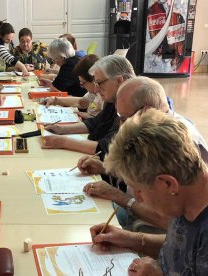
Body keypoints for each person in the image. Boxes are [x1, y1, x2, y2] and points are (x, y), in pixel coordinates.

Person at [80, 76, 208, 229]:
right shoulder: (155, 130)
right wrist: (104, 168)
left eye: (124, 118)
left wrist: (120, 196)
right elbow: (147, 177)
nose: (121, 126)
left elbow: (169, 220)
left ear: (146, 110)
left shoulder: (168, 142)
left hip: (147, 222)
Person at [91, 109, 208, 275]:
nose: (137, 198)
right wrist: (131, 239)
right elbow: (181, 246)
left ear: (168, 183)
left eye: (139, 190)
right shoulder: (186, 196)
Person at [43, 55, 135, 157]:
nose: (96, 90)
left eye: (100, 83)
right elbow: (94, 123)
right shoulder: (113, 99)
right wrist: (61, 129)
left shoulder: (132, 106)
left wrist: (64, 142)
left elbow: (108, 147)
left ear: (119, 81)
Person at [40, 54, 103, 118]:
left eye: (83, 83)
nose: (82, 86)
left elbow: (106, 123)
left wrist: (91, 119)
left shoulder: (105, 96)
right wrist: (54, 100)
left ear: (94, 79)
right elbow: (81, 102)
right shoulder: (93, 92)